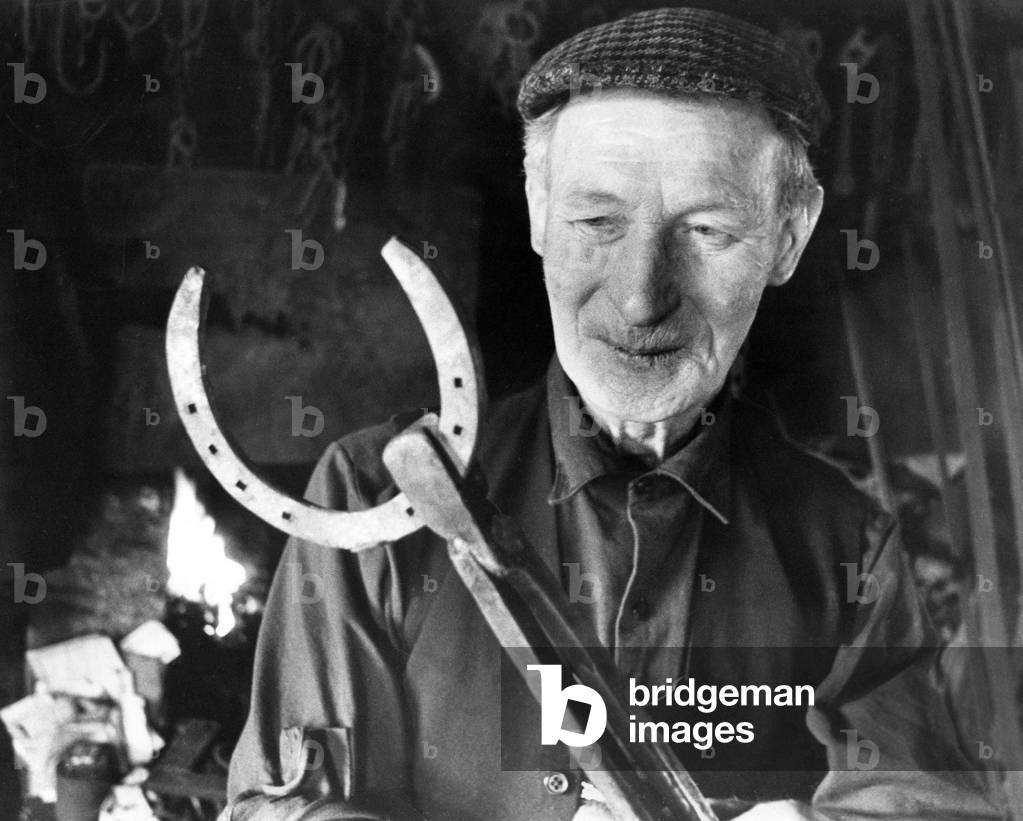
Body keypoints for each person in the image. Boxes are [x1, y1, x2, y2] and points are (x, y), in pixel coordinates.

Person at [223, 8, 1004, 820]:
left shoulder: (848, 554)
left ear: (788, 237)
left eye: (705, 230)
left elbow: (929, 803)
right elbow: (280, 809)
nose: (639, 296)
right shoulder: (369, 495)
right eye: (596, 222)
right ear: (535, 210)